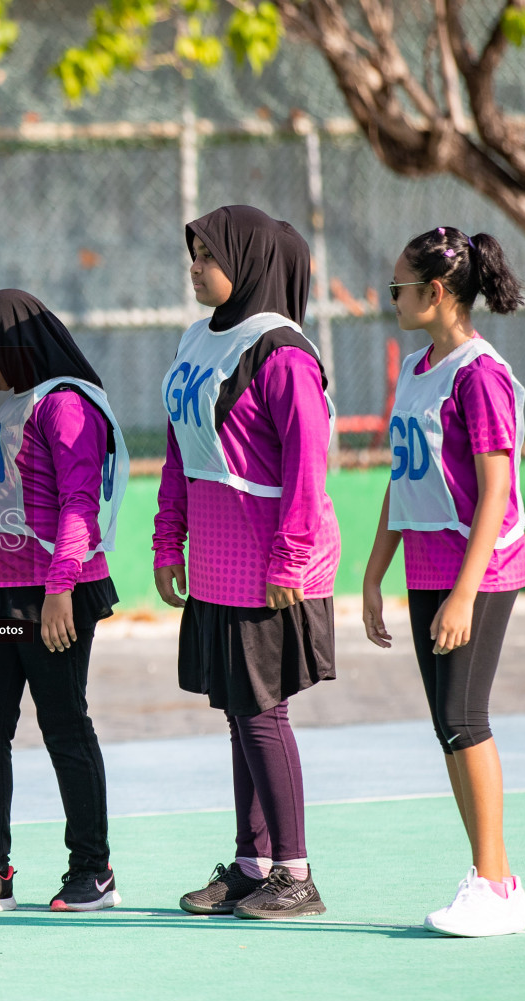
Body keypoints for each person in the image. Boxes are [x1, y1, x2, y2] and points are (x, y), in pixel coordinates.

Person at [0, 289, 129, 914]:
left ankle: (93, 869)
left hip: (53, 595)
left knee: (64, 725)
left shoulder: (66, 407)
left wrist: (61, 588)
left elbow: (77, 506)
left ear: (10, 346)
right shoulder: (15, 407)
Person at [154, 205, 337, 921]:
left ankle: (297, 873)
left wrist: (290, 558)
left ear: (248, 262)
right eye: (192, 253)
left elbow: (310, 467)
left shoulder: (284, 353)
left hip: (270, 561)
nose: (195, 267)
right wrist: (168, 538)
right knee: (239, 713)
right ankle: (251, 864)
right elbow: (180, 448)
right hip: (217, 559)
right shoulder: (197, 339)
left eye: (207, 255)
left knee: (263, 714)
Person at [361, 226, 525, 937]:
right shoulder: (416, 369)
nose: (391, 298)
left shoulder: (480, 374)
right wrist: (375, 572)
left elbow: (496, 491)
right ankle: (496, 879)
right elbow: (404, 481)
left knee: (466, 719)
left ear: (436, 294)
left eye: (401, 287)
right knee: (447, 726)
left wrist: (466, 593)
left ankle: (494, 883)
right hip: (429, 566)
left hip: (481, 568)